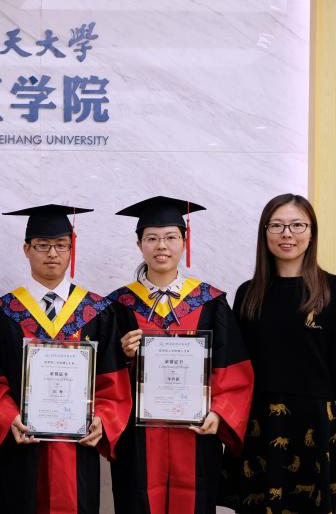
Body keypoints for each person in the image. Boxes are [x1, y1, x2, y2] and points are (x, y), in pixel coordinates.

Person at [220, 193, 336, 513]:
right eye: (277, 225)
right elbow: (235, 369)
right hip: (259, 428)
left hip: (317, 427)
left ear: (312, 232)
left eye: (297, 225)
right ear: (264, 233)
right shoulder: (248, 293)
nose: (287, 234)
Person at [0, 204, 132, 513]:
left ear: (71, 250)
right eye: (42, 245)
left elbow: (112, 380)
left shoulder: (97, 312)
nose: (52, 253)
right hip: (22, 446)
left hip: (77, 448)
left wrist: (102, 419)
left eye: (61, 245)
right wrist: (8, 418)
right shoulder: (1, 312)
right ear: (26, 249)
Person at [107, 195, 253, 513]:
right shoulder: (118, 306)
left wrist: (220, 413)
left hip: (196, 435)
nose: (162, 246)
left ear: (184, 242)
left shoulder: (210, 302)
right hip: (139, 438)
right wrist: (124, 356)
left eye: (171, 237)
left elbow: (233, 368)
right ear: (139, 244)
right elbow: (102, 378)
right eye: (152, 238)